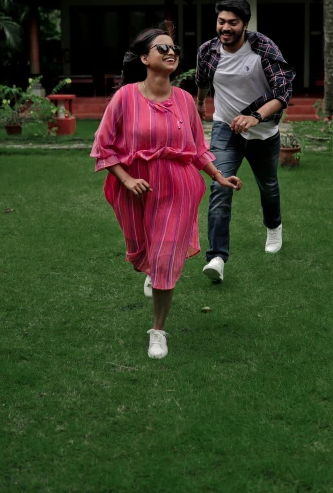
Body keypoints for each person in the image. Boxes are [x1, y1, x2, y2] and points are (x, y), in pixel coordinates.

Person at [91, 26, 242, 360]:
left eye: (174, 48)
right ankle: (151, 269)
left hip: (178, 186)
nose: (171, 52)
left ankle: (158, 330)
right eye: (162, 48)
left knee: (164, 256)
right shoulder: (125, 97)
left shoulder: (186, 100)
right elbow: (104, 147)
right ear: (145, 58)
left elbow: (197, 148)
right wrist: (127, 180)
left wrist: (219, 175)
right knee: (141, 249)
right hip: (135, 189)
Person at [196, 0, 295, 282]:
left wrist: (256, 117)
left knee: (269, 186)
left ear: (245, 24)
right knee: (220, 186)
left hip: (263, 132)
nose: (225, 28)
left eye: (232, 23)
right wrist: (200, 102)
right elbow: (203, 80)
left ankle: (274, 226)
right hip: (225, 128)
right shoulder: (208, 51)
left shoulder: (263, 48)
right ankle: (217, 257)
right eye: (221, 22)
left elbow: (282, 92)